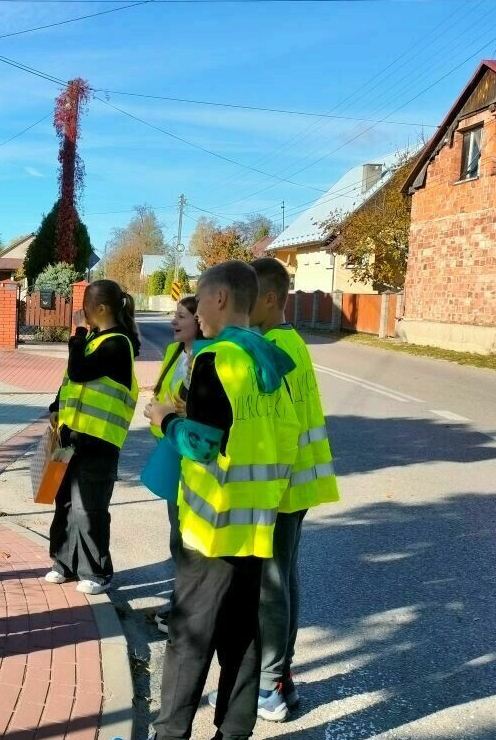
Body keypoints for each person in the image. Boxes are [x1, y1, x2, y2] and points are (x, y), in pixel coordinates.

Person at [144, 260, 299, 740]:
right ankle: (234, 732)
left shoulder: (217, 359)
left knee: (189, 638)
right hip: (256, 523)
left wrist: (166, 417)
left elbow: (202, 444)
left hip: (210, 528)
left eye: (201, 299)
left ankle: (171, 733)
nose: (199, 313)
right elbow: (283, 436)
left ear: (220, 299)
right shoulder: (271, 359)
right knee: (242, 636)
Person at [206, 257, 340, 721]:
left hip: (279, 488)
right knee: (284, 582)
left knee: (271, 587)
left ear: (268, 299)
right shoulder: (289, 343)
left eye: (251, 296)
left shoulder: (273, 348)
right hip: (295, 483)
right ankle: (278, 678)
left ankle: (270, 686)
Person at [45, 279, 141, 596]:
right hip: (72, 438)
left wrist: (77, 334)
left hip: (98, 443)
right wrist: (56, 406)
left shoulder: (118, 344)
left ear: (100, 309)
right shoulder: (97, 341)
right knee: (66, 504)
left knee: (90, 510)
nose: (81, 314)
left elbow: (80, 371)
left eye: (86, 308)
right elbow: (72, 383)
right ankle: (64, 564)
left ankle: (97, 572)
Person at [150, 295, 204, 635]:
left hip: (191, 454)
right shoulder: (173, 354)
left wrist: (171, 415)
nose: (173, 321)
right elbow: (161, 395)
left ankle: (187, 608)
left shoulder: (208, 357)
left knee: (190, 537)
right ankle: (180, 599)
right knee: (176, 535)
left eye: (181, 316)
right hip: (170, 449)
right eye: (174, 315)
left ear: (200, 320)